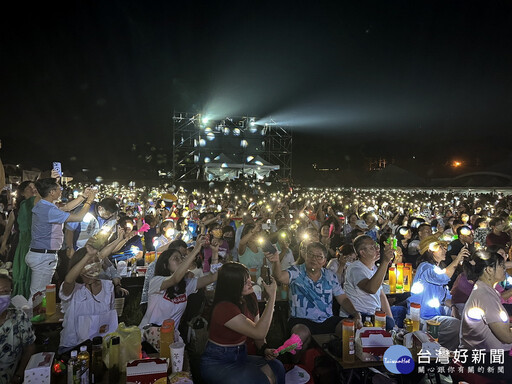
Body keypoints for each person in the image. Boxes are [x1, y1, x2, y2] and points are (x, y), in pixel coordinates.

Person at [268, 242, 363, 359]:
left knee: (349, 328)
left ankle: (341, 367)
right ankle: (294, 365)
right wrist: (276, 261)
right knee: (298, 337)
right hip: (301, 320)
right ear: (305, 256)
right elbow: (279, 277)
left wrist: (355, 313)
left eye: (319, 256)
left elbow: (343, 299)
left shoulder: (330, 276)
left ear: (324, 261)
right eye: (311, 255)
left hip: (327, 319)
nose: (314, 259)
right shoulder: (296, 271)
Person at [200, 262, 285, 384]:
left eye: (249, 278)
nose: (251, 283)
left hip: (240, 356)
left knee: (277, 367)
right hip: (219, 362)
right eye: (245, 282)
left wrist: (265, 349)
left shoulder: (250, 297)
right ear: (232, 285)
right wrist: (272, 298)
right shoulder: (224, 308)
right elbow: (259, 332)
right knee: (263, 380)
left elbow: (258, 330)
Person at [26, 178, 96, 300]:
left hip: (39, 253)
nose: (61, 191)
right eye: (59, 189)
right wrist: (89, 201)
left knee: (40, 292)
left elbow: (67, 207)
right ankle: (30, 317)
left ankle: (35, 315)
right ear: (52, 192)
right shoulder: (49, 210)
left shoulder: (43, 205)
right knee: (38, 294)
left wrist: (83, 196)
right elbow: (79, 217)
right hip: (44, 256)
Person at [139, 236, 218, 340]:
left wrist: (215, 252)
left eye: (182, 258)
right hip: (148, 339)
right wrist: (196, 249)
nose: (181, 261)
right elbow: (175, 278)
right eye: (176, 258)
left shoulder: (186, 284)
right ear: (165, 265)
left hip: (171, 339)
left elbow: (213, 277)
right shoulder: (156, 281)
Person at [58, 235, 127, 353]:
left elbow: (108, 318)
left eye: (95, 262)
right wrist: (88, 255)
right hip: (73, 347)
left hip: (101, 346)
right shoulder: (74, 289)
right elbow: (68, 280)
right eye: (88, 263)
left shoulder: (107, 286)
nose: (94, 266)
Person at [408, 235, 469, 350]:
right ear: (430, 250)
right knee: (456, 326)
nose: (444, 250)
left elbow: (444, 297)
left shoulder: (436, 269)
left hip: (436, 315)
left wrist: (454, 307)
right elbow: (442, 278)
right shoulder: (425, 268)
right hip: (423, 318)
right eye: (440, 247)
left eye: (444, 247)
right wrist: (457, 259)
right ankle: (439, 351)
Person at [459, 249, 512, 380]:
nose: (504, 268)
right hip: (485, 359)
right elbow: (507, 337)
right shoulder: (485, 296)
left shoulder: (486, 290)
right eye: (501, 265)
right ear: (489, 269)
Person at [343, 235, 398, 330]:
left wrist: (393, 325)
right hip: (358, 315)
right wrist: (385, 261)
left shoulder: (374, 269)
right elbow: (371, 289)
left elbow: (381, 296)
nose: (377, 249)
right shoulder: (355, 269)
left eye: (376, 245)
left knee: (395, 316)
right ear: (362, 253)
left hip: (373, 314)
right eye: (372, 248)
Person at [0, 274, 35, 384]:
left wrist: (19, 375)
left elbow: (30, 348)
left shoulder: (19, 317)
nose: (1, 296)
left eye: (5, 291)